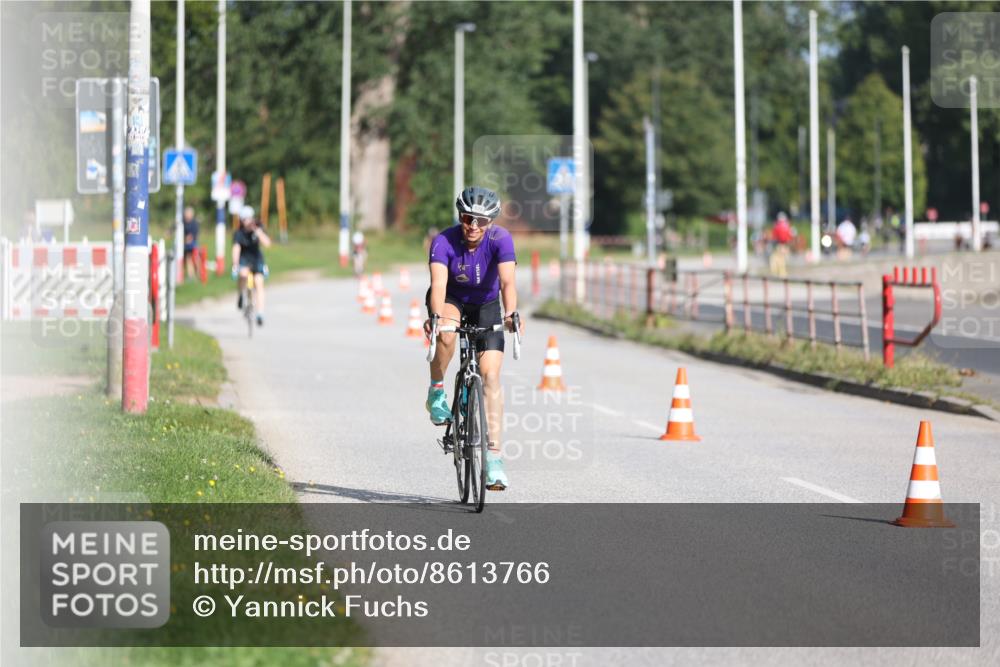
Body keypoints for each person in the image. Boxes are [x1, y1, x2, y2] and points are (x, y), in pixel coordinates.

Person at [424, 186, 522, 491]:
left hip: (488, 305)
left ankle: (493, 458)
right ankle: (437, 391)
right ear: (460, 216)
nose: (473, 226)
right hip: (452, 299)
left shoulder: (501, 240)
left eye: (481, 220)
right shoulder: (444, 241)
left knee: (491, 376)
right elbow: (438, 284)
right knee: (447, 337)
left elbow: (507, 282)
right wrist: (436, 317)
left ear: (491, 221)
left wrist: (512, 314)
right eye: (468, 219)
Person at [231, 205, 272, 326]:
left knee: (259, 283)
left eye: (248, 219)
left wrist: (257, 231)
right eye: (244, 219)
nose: (246, 222)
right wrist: (235, 265)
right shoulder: (239, 234)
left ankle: (260, 313)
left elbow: (267, 243)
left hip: (256, 259)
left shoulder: (258, 229)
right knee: (243, 275)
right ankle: (241, 294)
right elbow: (236, 250)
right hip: (244, 259)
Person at [768, 212, 793, 277]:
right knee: (782, 258)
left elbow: (774, 235)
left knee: (778, 258)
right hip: (785, 244)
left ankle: (777, 271)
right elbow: (789, 235)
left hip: (779, 244)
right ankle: (782, 272)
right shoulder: (787, 225)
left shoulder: (777, 225)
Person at [182, 206, 200, 279]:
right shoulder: (183, 222)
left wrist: (189, 238)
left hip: (193, 244)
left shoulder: (194, 223)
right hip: (186, 244)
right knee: (188, 259)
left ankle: (198, 273)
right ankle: (191, 275)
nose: (187, 215)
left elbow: (194, 234)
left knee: (195, 259)